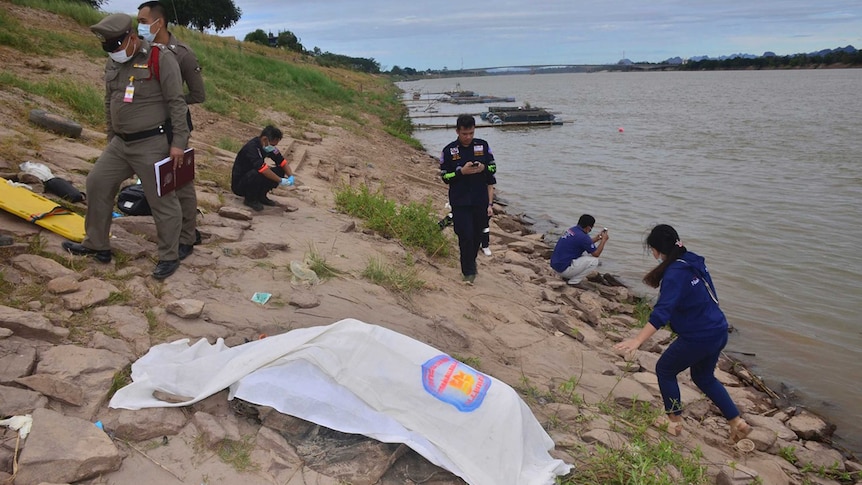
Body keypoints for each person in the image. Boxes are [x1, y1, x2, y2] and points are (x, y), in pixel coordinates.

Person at [62, 13, 189, 280]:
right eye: (107, 47)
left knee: (162, 201)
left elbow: (177, 103)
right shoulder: (114, 60)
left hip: (152, 143)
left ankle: (169, 255)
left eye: (115, 46)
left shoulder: (159, 58)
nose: (112, 51)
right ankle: (97, 244)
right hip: (121, 143)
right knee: (97, 182)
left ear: (132, 38)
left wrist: (179, 143)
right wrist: (111, 136)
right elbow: (110, 100)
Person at [613, 224, 751, 441]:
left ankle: (674, 423)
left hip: (700, 336)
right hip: (718, 329)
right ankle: (737, 422)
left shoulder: (675, 273)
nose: (652, 254)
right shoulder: (692, 260)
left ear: (657, 250)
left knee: (665, 369)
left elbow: (662, 312)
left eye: (652, 249)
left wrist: (637, 340)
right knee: (703, 377)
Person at [137, 1, 205, 260]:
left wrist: (172, 100)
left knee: (181, 184)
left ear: (159, 22)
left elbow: (198, 94)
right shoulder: (139, 50)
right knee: (156, 182)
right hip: (146, 129)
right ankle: (167, 229)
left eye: (143, 21)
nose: (139, 26)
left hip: (175, 128)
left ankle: (187, 236)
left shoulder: (183, 55)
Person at [439, 114, 496, 284]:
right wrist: (460, 172)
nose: (468, 137)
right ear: (457, 131)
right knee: (465, 236)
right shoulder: (449, 150)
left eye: (471, 133)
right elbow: (444, 177)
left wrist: (484, 168)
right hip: (460, 201)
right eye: (465, 133)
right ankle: (468, 272)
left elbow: (493, 168)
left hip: (480, 199)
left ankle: (471, 262)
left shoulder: (482, 145)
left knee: (477, 235)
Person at [230, 125, 294, 211]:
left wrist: (291, 176)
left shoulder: (268, 147)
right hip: (241, 183)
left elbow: (282, 162)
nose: (273, 147)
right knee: (258, 172)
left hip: (256, 176)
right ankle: (250, 199)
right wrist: (280, 180)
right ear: (264, 139)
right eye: (272, 145)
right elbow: (263, 169)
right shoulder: (252, 148)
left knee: (280, 170)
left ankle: (261, 196)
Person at [549, 214, 608, 287]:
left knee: (584, 256)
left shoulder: (572, 230)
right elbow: (596, 254)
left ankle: (567, 276)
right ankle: (574, 282)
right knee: (594, 261)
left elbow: (584, 243)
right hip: (563, 270)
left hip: (555, 265)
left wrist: (597, 238)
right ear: (588, 227)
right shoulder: (584, 237)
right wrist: (603, 241)